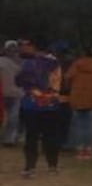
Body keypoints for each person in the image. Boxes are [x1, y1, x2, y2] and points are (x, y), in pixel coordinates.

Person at [16, 43, 64, 177]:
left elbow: (20, 81)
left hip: (32, 105)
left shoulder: (28, 63)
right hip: (51, 104)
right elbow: (59, 83)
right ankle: (53, 166)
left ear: (34, 47)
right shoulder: (56, 63)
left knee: (31, 136)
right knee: (51, 136)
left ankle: (30, 168)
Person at [65, 46, 92, 159]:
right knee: (89, 126)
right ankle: (88, 150)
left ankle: (80, 150)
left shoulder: (77, 64)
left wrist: (71, 87)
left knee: (79, 125)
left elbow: (68, 77)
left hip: (77, 97)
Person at [0, 41, 21, 146]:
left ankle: (9, 140)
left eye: (14, 48)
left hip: (16, 94)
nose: (12, 50)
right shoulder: (1, 61)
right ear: (6, 49)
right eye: (10, 48)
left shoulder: (22, 62)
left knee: (13, 118)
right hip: (2, 94)